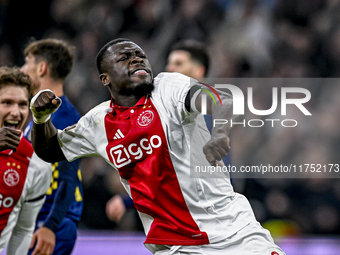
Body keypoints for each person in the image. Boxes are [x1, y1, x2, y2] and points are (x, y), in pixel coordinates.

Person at [29, 38, 285, 255]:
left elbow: (222, 101)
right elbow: (50, 149)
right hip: (176, 247)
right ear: (105, 78)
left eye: (140, 55)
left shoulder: (168, 87)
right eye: (125, 58)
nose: (137, 60)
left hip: (235, 232)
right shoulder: (96, 122)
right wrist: (40, 119)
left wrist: (219, 132)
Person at [106, 39, 231, 223]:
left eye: (178, 63)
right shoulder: (165, 110)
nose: (170, 68)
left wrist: (129, 200)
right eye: (169, 63)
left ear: (199, 71)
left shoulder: (206, 114)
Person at [20, 38, 84, 255]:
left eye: (27, 62)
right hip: (38, 221)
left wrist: (50, 226)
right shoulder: (40, 117)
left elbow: (69, 177)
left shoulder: (65, 117)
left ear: (41, 68)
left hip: (51, 226)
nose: (22, 69)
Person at [0, 66, 51, 255]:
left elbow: (23, 230)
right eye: (7, 103)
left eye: (22, 105)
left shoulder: (37, 165)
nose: (16, 112)